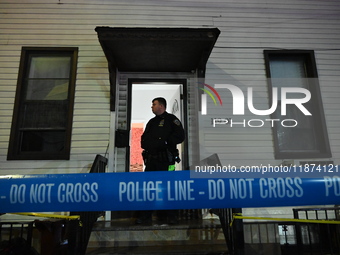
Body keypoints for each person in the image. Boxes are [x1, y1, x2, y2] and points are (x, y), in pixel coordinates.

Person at [136, 97, 185, 225]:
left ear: (161, 106)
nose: (151, 106)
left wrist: (165, 142)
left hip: (167, 162)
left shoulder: (171, 120)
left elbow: (180, 136)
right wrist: (153, 144)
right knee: (148, 189)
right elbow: (143, 141)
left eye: (154, 104)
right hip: (152, 162)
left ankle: (172, 216)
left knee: (169, 188)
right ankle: (145, 216)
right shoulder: (151, 122)